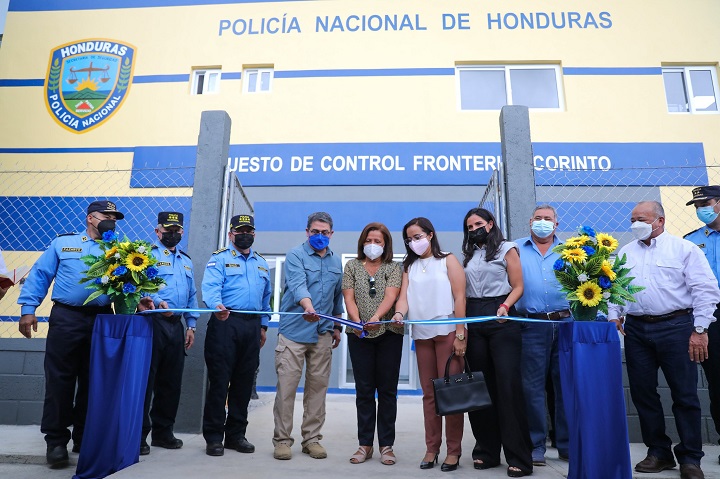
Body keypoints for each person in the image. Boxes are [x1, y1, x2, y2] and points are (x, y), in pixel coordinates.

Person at [608, 201, 720, 479]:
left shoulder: (684, 249)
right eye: (632, 219)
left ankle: (691, 458)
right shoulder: (626, 252)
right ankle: (658, 452)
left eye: (642, 219)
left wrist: (700, 329)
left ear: (660, 220)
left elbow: (705, 290)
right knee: (643, 393)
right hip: (637, 330)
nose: (636, 225)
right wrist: (614, 315)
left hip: (677, 327)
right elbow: (617, 289)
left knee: (684, 394)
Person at [17, 200, 133, 468]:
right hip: (67, 317)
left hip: (103, 320)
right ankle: (56, 442)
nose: (112, 221)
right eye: (107, 216)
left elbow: (131, 284)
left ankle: (84, 437)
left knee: (95, 380)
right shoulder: (63, 243)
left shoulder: (119, 249)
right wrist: (28, 309)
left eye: (115, 218)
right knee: (60, 380)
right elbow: (40, 275)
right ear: (91, 218)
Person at [461, 207, 532, 477]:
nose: (473, 229)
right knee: (480, 385)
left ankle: (519, 456)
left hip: (502, 318)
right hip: (474, 317)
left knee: (507, 387)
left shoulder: (506, 248)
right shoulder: (468, 255)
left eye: (478, 223)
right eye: (469, 226)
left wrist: (505, 306)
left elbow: (518, 285)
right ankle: (486, 451)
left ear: (490, 224)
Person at [392, 217, 466, 472]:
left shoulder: (448, 259)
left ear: (430, 235)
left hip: (447, 331)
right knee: (429, 394)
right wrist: (399, 314)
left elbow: (459, 296)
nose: (414, 242)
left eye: (417, 237)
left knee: (451, 393)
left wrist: (460, 333)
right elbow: (403, 299)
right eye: (409, 239)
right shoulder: (407, 266)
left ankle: (453, 451)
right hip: (422, 334)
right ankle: (432, 448)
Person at [273, 212, 344, 461]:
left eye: (325, 232)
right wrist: (307, 306)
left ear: (331, 234)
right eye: (315, 232)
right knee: (287, 389)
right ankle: (282, 440)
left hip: (323, 333)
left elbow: (337, 296)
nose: (320, 236)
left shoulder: (337, 262)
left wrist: (337, 326)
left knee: (317, 390)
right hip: (294, 332)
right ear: (307, 232)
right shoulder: (295, 255)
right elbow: (297, 284)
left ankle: (311, 439)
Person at [201, 214, 271, 457]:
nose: (245, 235)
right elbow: (210, 287)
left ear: (253, 234)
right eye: (240, 231)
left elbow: (266, 298)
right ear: (231, 234)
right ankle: (213, 437)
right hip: (225, 322)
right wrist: (216, 306)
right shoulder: (219, 259)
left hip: (251, 327)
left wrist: (263, 326)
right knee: (220, 382)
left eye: (249, 231)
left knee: (243, 383)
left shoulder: (261, 263)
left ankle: (236, 436)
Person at [513, 204, 571, 466]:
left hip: (566, 323)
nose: (543, 222)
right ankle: (536, 444)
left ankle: (567, 443)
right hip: (531, 325)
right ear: (530, 222)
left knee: (565, 386)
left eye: (548, 219)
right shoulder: (514, 249)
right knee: (532, 388)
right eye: (538, 218)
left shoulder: (573, 250)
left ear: (556, 224)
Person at [342, 222, 403, 466]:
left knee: (387, 392)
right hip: (359, 336)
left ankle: (386, 446)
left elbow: (391, 295)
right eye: (369, 241)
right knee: (364, 391)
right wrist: (357, 323)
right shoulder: (352, 266)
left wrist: (376, 318)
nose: (373, 245)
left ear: (386, 244)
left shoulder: (393, 267)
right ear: (362, 242)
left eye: (378, 241)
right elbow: (349, 297)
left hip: (389, 333)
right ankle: (365, 444)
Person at [140, 212, 199, 455]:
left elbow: (192, 294)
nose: (172, 233)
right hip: (151, 324)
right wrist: (157, 300)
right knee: (147, 381)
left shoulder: (186, 261)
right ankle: (140, 435)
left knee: (171, 382)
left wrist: (192, 324)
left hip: (176, 326)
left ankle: (164, 434)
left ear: (182, 232)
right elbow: (139, 285)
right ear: (158, 231)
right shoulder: (145, 256)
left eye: (176, 229)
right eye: (168, 229)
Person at [685, 186, 720, 465]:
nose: (700, 210)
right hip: (711, 317)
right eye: (696, 206)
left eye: (705, 203)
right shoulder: (691, 242)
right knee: (718, 384)